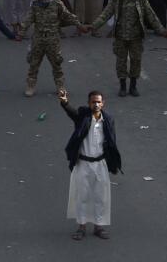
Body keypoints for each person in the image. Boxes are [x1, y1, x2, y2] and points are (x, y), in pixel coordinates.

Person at [89, 0, 167, 97]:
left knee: (136, 61)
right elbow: (106, 14)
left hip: (136, 36)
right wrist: (93, 26)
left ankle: (133, 86)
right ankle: (122, 86)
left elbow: (151, 15)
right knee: (121, 62)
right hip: (120, 35)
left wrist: (161, 30)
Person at [59, 89, 120, 241]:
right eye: (93, 102)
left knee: (101, 196)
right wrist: (64, 102)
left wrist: (113, 162)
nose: (96, 104)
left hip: (100, 164)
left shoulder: (108, 120)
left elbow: (112, 142)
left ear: (103, 103)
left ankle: (99, 226)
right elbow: (72, 113)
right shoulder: (83, 117)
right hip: (83, 164)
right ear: (89, 103)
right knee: (82, 196)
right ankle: (81, 226)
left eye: (99, 102)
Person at [19, 0, 84, 97]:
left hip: (53, 40)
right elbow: (28, 19)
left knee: (56, 64)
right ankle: (30, 86)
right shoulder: (35, 5)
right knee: (33, 64)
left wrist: (79, 25)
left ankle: (60, 86)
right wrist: (21, 32)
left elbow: (67, 15)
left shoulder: (57, 4)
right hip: (38, 39)